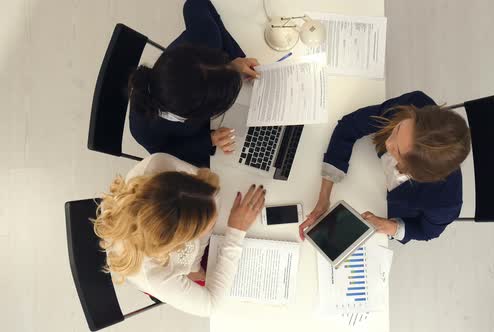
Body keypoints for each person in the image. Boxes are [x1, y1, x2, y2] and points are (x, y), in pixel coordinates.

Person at [94, 153, 266, 316]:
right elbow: (212, 305)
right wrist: (236, 232)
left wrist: (194, 265)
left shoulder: (157, 164)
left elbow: (214, 195)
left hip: (186, 257)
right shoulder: (154, 275)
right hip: (165, 271)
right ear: (180, 241)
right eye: (207, 226)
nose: (213, 223)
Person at [299, 91, 471, 244]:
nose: (388, 142)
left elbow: (426, 231)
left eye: (397, 151)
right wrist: (324, 197)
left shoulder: (444, 204)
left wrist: (389, 227)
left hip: (385, 206)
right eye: (397, 130)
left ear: (418, 174)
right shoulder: (414, 104)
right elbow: (349, 126)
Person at [128, 0, 259, 167]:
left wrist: (234, 61)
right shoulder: (144, 130)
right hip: (202, 137)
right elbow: (166, 153)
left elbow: (194, 3)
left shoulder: (206, 38)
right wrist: (208, 140)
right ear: (197, 115)